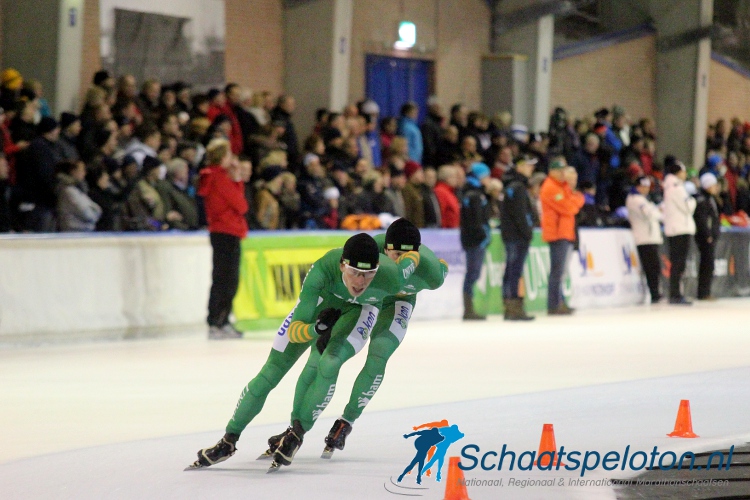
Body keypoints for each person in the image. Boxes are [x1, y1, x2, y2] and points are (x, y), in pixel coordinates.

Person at [186, 233, 420, 470]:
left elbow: (417, 261)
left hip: (359, 311)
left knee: (329, 362)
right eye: (354, 272)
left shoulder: (391, 277)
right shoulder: (320, 272)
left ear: (378, 270)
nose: (360, 282)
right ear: (342, 265)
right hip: (321, 307)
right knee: (270, 373)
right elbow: (296, 330)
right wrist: (317, 329)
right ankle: (228, 440)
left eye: (368, 274)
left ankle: (296, 434)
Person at [320, 219, 448, 458]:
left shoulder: (430, 272)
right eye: (395, 254)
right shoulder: (374, 248)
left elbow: (443, 268)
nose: (399, 262)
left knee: (379, 353)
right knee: (334, 350)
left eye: (406, 255)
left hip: (398, 302)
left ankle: (346, 421)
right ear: (385, 249)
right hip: (372, 297)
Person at [198, 139, 248, 339]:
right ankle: (220, 321)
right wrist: (236, 179)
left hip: (221, 232)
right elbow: (242, 205)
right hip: (227, 231)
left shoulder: (213, 177)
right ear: (223, 157)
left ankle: (218, 320)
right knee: (227, 279)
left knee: (221, 277)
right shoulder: (220, 178)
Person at [540, 157, 584, 315]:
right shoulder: (550, 188)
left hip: (565, 232)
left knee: (561, 272)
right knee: (557, 271)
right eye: (560, 170)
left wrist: (575, 200)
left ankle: (560, 302)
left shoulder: (562, 186)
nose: (562, 173)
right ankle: (553, 305)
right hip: (557, 234)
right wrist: (576, 200)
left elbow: (573, 202)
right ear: (552, 171)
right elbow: (568, 208)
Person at [501, 156, 537, 320]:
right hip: (517, 236)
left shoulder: (513, 186)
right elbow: (520, 214)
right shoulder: (518, 187)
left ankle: (511, 306)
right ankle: (513, 307)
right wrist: (527, 232)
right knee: (514, 271)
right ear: (520, 167)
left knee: (512, 270)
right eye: (529, 166)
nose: (532, 169)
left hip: (512, 235)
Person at [460, 162, 492, 320]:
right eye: (487, 176)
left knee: (472, 273)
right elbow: (477, 221)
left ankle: (469, 308)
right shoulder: (475, 195)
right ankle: (468, 309)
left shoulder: (470, 193)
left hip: (470, 240)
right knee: (473, 273)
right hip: (475, 241)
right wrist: (484, 236)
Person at [662, 157, 696, 305]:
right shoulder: (677, 188)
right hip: (680, 229)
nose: (685, 174)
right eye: (683, 171)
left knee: (677, 263)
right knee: (678, 263)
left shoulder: (671, 187)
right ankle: (675, 294)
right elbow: (688, 207)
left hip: (677, 228)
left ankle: (675, 293)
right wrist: (693, 200)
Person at [626, 176, 663, 303]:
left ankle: (656, 292)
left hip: (651, 237)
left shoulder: (643, 199)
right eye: (643, 186)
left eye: (647, 187)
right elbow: (651, 214)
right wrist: (656, 210)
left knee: (655, 267)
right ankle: (654, 294)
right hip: (644, 238)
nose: (646, 189)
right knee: (651, 267)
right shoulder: (635, 199)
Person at [694, 172, 721, 301]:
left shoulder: (710, 199)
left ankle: (705, 292)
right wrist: (708, 235)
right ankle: (703, 293)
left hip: (710, 236)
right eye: (714, 185)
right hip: (706, 237)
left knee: (709, 264)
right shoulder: (703, 200)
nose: (716, 187)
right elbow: (702, 220)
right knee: (707, 264)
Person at [55, 160, 102, 232]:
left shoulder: (77, 190)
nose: (84, 173)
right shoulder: (68, 191)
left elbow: (97, 210)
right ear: (73, 171)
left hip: (84, 231)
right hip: (73, 232)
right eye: (82, 170)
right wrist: (94, 213)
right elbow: (87, 214)